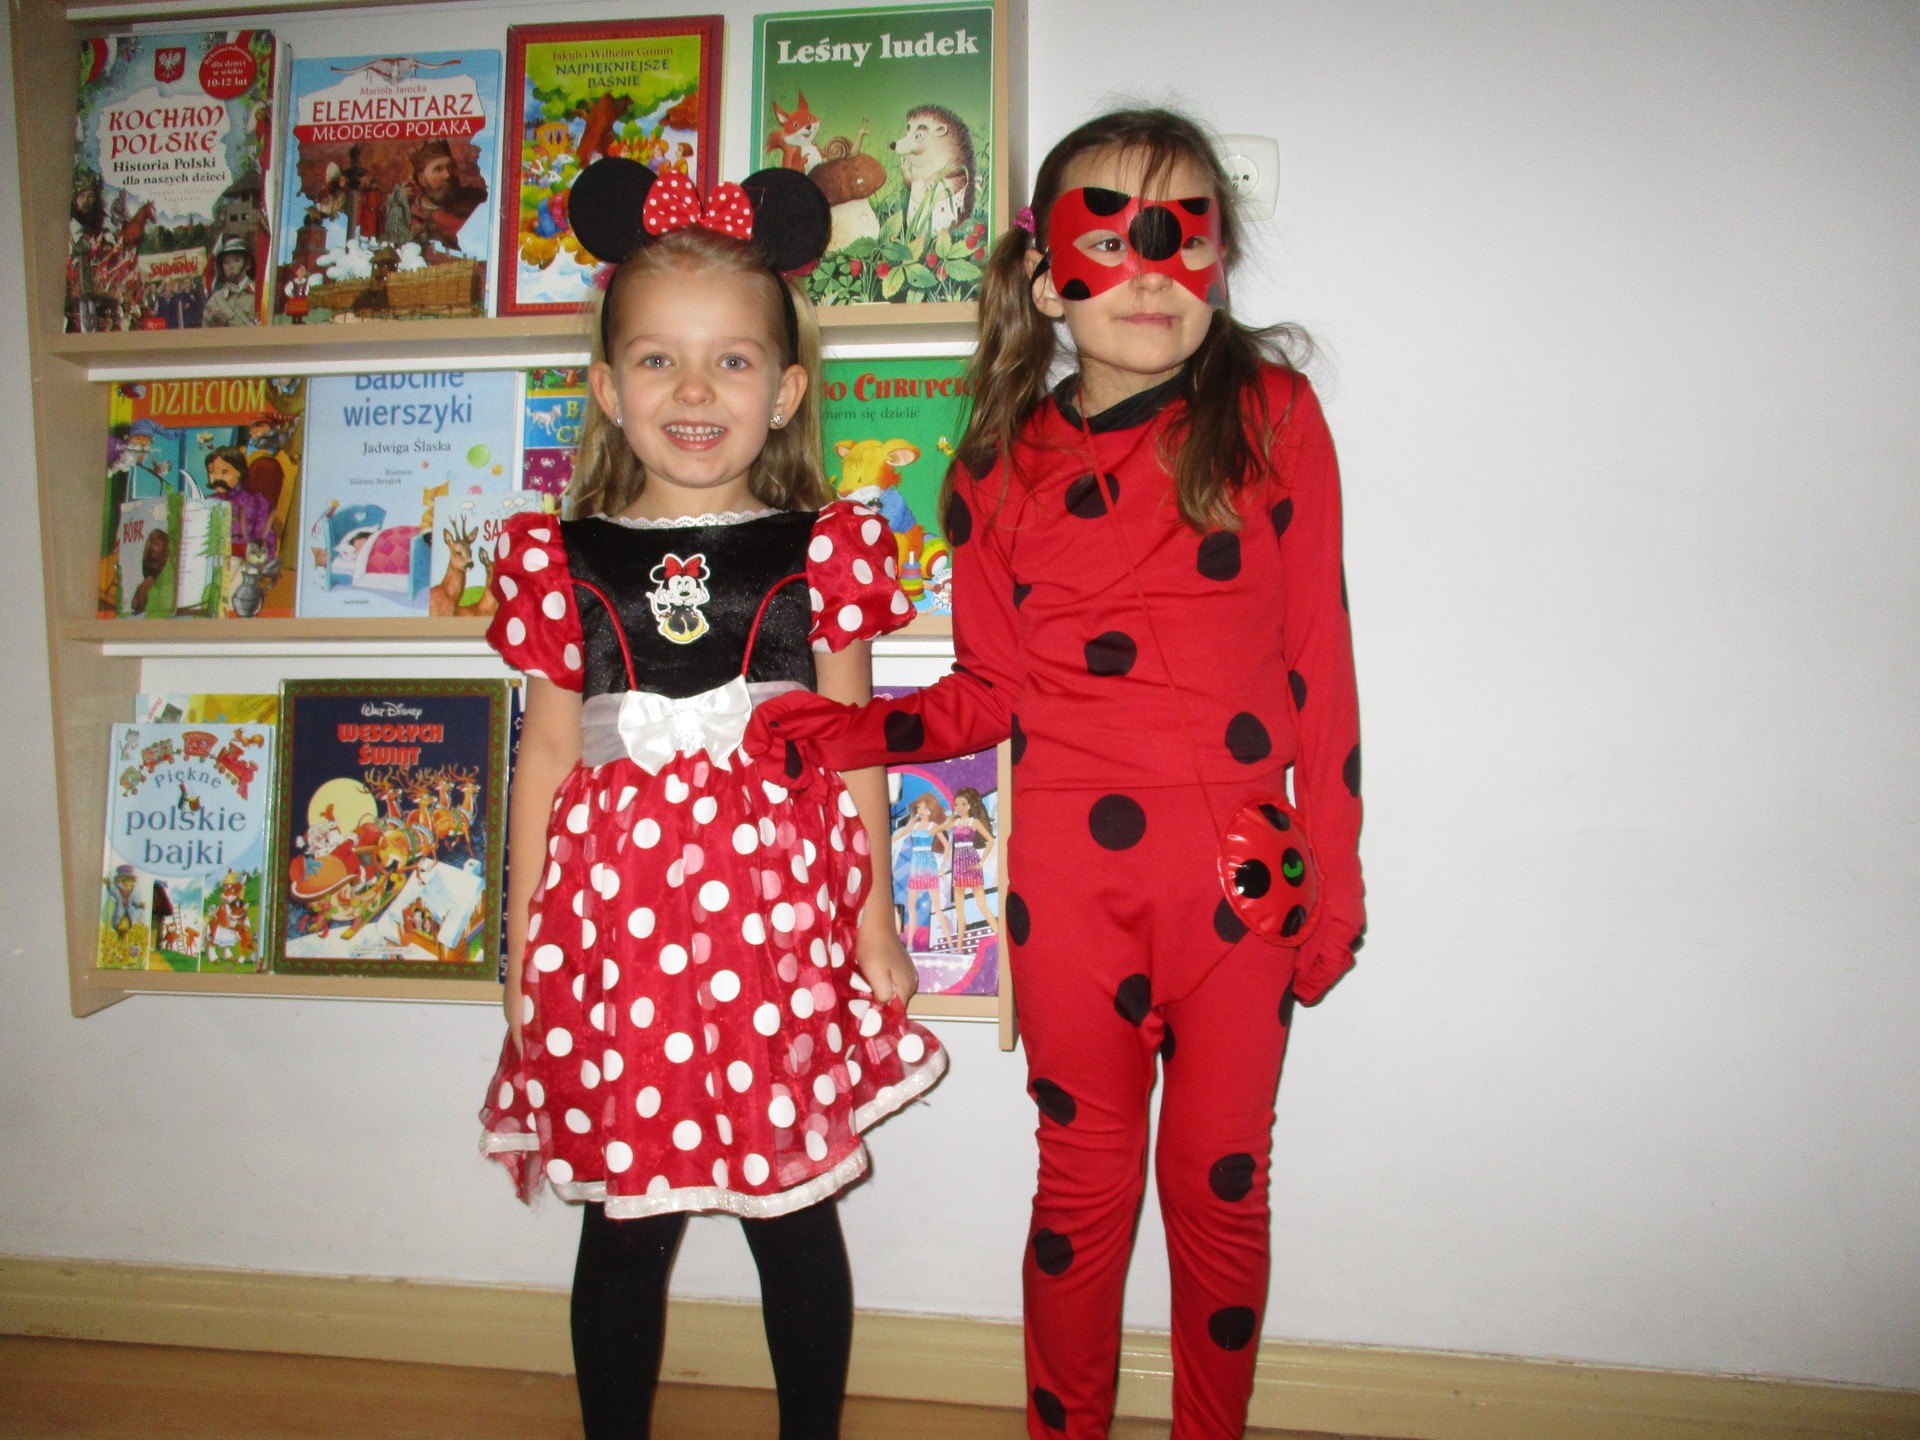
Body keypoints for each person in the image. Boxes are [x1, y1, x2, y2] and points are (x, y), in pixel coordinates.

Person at [750, 108, 1366, 1439]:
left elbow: (1322, 663)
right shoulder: (996, 465)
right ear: (1045, 279)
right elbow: (990, 693)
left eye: (1182, 236)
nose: (1149, 271)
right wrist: (853, 731)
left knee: (1220, 1184)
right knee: (1081, 1192)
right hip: (1073, 888)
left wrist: (1342, 872)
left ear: (1216, 263)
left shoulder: (1272, 416)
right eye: (1111, 237)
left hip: (1243, 882)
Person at [476, 160, 947, 1440]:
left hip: (771, 936)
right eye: (659, 361)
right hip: (616, 944)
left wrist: (874, 922)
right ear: (605, 386)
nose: (694, 392)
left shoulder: (822, 549)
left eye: (732, 362)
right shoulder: (560, 558)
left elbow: (852, 747)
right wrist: (522, 953)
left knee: (795, 1214)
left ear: (784, 389)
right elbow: (546, 755)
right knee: (625, 1224)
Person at [938, 786, 996, 939]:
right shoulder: (955, 822)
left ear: (969, 805)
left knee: (981, 903)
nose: (959, 807)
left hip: (971, 859)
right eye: (957, 804)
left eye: (963, 804)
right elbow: (935, 830)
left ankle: (997, 933)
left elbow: (990, 840)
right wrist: (950, 819)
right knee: (959, 908)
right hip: (959, 863)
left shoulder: (973, 822)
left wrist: (981, 862)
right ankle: (959, 944)